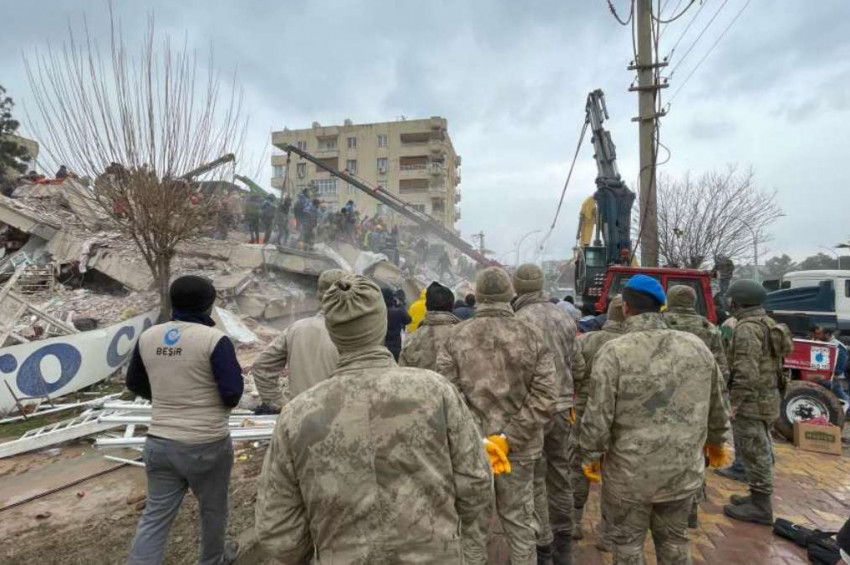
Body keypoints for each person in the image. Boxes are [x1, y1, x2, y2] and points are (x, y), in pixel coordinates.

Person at [255, 275, 493, 564]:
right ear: (382, 323)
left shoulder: (296, 414)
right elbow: (477, 482)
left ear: (332, 330)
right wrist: (466, 548)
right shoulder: (435, 391)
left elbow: (279, 532)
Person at [580, 275, 730, 564]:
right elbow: (719, 404)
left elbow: (597, 417)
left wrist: (590, 455)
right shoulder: (696, 346)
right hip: (683, 472)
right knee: (675, 541)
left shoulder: (614, 352)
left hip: (629, 474)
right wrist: (716, 442)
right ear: (661, 306)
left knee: (627, 546)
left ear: (625, 307)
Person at [437, 267, 557, 565]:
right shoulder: (533, 336)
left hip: (471, 452)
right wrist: (507, 439)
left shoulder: (455, 337)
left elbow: (447, 396)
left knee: (473, 530)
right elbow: (545, 396)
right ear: (510, 294)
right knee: (519, 525)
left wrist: (478, 438)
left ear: (478, 296)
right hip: (519, 449)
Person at [125, 275, 244, 565]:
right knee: (213, 510)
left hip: (159, 443)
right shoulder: (214, 340)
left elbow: (134, 383)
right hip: (206, 444)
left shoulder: (149, 337)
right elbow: (232, 394)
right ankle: (213, 560)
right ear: (208, 305)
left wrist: (168, 396)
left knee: (155, 516)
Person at [511, 264, 579, 565]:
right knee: (560, 475)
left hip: (532, 411)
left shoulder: (518, 321)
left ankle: (541, 545)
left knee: (533, 480)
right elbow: (579, 365)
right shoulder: (563, 317)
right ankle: (564, 545)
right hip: (563, 408)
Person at [722, 279, 792, 525]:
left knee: (755, 450)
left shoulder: (746, 328)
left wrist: (736, 403)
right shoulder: (767, 322)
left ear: (737, 301)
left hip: (752, 400)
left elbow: (745, 370)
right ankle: (755, 496)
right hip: (768, 396)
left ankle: (761, 505)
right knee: (759, 445)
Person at [663, 284, 731, 529]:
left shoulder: (662, 323)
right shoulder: (709, 328)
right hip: (698, 400)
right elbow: (721, 369)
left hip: (665, 399)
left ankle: (664, 504)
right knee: (696, 454)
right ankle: (690, 510)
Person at [569, 295, 624, 546]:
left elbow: (574, 373)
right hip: (623, 417)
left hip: (585, 411)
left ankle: (574, 522)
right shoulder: (633, 343)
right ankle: (608, 531)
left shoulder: (589, 341)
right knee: (616, 471)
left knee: (578, 465)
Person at [250, 270, 346, 411]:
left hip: (298, 417)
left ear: (319, 295)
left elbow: (262, 366)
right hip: (339, 418)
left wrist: (279, 403)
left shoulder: (296, 328)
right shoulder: (357, 335)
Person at [399, 282, 458, 371]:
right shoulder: (464, 335)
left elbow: (403, 373)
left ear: (427, 306)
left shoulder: (412, 340)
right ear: (452, 306)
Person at [382, 287, 412, 361]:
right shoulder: (397, 312)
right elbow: (408, 320)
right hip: (395, 346)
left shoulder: (377, 312)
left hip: (380, 345)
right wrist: (400, 305)